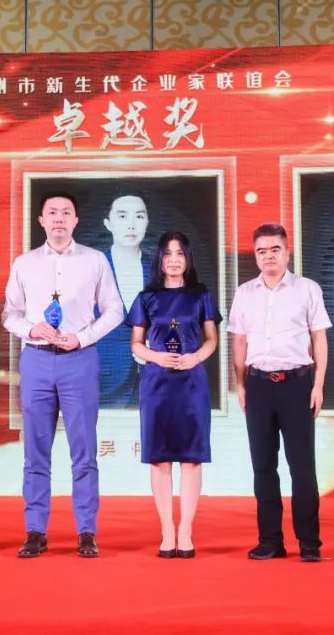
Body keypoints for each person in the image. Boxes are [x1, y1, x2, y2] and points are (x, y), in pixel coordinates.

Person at [2, 191, 124, 558]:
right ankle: (35, 531)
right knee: (35, 451)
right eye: (52, 212)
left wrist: (82, 337)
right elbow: (9, 314)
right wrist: (31, 329)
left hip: (79, 360)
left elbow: (115, 310)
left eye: (66, 212)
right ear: (41, 220)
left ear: (75, 220)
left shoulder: (94, 260)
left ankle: (86, 531)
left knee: (84, 450)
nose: (59, 218)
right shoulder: (24, 263)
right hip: (37, 360)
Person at [228, 222, 330, 562]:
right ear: (255, 256)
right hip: (258, 386)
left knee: (302, 468)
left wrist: (318, 385)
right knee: (263, 466)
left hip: (297, 384)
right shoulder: (245, 293)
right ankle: (270, 540)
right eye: (261, 251)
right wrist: (241, 385)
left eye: (275, 249)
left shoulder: (307, 289)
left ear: (287, 252)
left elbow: (319, 338)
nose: (268, 256)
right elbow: (239, 342)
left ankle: (309, 542)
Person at [126, 231, 219, 559]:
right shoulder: (146, 297)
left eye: (180, 253)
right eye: (168, 254)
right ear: (160, 259)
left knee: (192, 458)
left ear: (188, 258)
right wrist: (156, 357)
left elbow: (211, 339)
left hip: (192, 381)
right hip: (157, 383)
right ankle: (167, 529)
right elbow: (136, 343)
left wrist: (196, 357)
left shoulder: (201, 295)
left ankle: (186, 530)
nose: (174, 260)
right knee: (160, 457)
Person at [97, 194, 152, 408]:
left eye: (139, 216)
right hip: (104, 382)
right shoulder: (92, 268)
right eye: (122, 216)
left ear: (147, 222)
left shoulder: (160, 269)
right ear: (108, 224)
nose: (131, 225)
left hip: (154, 378)